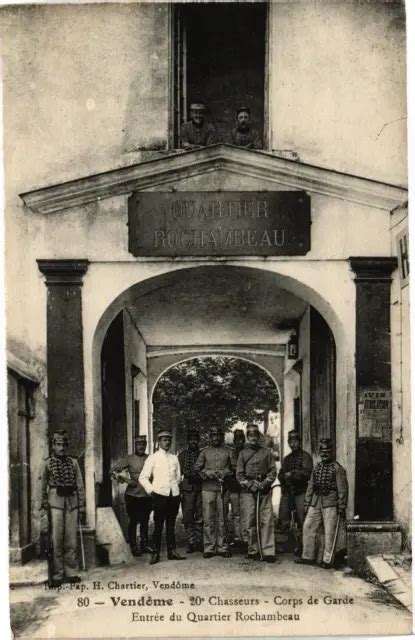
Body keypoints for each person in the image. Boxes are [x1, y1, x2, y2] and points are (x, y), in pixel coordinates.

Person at [40, 430, 85, 587]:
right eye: (58, 444)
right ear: (53, 446)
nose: (61, 447)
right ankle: (58, 574)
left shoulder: (73, 463)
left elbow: (79, 485)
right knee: (56, 539)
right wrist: (44, 503)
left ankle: (72, 572)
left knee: (71, 539)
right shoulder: (48, 463)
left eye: (64, 444)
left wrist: (81, 506)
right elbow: (42, 485)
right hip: (55, 503)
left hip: (71, 502)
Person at [296, 438, 348, 568]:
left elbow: (343, 489)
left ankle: (327, 560)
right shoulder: (317, 467)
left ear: (332, 452)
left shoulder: (338, 468)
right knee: (308, 526)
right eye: (322, 451)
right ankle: (308, 556)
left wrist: (342, 506)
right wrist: (307, 503)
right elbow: (311, 486)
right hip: (316, 501)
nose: (324, 453)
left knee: (330, 532)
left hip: (330, 502)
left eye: (327, 451)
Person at [139, 430, 186, 565]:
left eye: (168, 440)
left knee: (171, 524)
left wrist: (174, 488)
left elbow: (178, 476)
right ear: (159, 442)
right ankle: (155, 553)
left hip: (173, 495)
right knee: (158, 524)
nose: (167, 442)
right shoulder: (153, 458)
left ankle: (172, 552)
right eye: (164, 440)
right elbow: (143, 477)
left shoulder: (174, 458)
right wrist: (152, 491)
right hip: (159, 495)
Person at [237, 424, 277, 562]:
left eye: (255, 435)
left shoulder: (267, 452)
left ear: (258, 436)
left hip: (264, 491)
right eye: (250, 435)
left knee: (266, 520)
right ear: (248, 437)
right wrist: (250, 484)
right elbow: (239, 475)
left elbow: (273, 472)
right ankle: (253, 549)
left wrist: (265, 483)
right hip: (248, 492)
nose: (253, 437)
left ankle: (268, 551)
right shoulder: (242, 454)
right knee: (250, 521)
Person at [194, 426, 233, 558]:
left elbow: (235, 467)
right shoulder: (204, 452)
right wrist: (207, 472)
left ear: (221, 437)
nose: (216, 438)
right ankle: (209, 547)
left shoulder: (229, 451)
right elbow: (197, 468)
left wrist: (225, 472)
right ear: (210, 437)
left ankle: (222, 547)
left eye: (218, 435)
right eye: (213, 435)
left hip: (223, 489)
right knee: (208, 518)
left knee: (223, 519)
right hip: (207, 488)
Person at [110, 435, 153, 557]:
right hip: (132, 495)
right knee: (133, 521)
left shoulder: (150, 459)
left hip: (146, 495)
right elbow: (113, 470)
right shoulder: (129, 459)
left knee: (145, 520)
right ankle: (133, 546)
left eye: (143, 444)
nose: (141, 446)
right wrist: (124, 479)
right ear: (135, 445)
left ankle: (144, 545)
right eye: (139, 444)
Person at [278, 430, 313, 554]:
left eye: (295, 441)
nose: (293, 444)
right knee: (283, 518)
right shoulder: (286, 459)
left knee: (302, 518)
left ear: (299, 442)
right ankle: (286, 544)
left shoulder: (306, 457)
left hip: (300, 491)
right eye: (291, 441)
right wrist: (284, 478)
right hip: (288, 492)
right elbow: (280, 474)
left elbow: (308, 473)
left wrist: (292, 475)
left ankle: (304, 546)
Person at [178, 429, 203, 553]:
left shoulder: (202, 454)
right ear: (188, 441)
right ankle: (191, 541)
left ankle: (199, 541)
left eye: (195, 439)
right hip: (187, 488)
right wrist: (180, 490)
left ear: (198, 440)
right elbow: (178, 474)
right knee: (188, 516)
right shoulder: (182, 455)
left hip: (200, 487)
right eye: (191, 439)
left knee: (200, 515)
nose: (193, 441)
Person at [227, 429, 247, 549]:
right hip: (234, 488)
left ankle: (245, 538)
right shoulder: (231, 454)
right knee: (236, 514)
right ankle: (237, 537)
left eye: (241, 439)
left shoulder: (247, 453)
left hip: (245, 488)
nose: (239, 442)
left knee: (245, 513)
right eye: (237, 439)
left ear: (244, 440)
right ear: (234, 441)